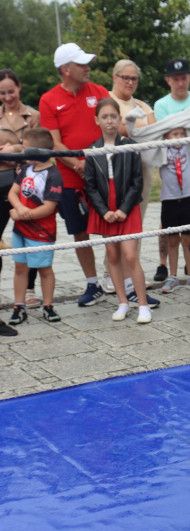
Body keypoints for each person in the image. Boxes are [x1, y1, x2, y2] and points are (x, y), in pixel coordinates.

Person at [39, 42, 110, 307]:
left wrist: (92, 164)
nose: (87, 68)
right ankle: (92, 284)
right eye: (81, 64)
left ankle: (123, 282)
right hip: (70, 179)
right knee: (80, 233)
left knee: (113, 228)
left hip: (103, 174)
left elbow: (110, 127)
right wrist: (79, 165)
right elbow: (54, 142)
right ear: (65, 69)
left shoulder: (99, 91)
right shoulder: (48, 99)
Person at [84, 98, 151, 324]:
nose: (109, 121)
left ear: (119, 118)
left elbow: (137, 181)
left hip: (127, 206)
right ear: (97, 120)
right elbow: (90, 186)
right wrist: (104, 211)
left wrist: (124, 209)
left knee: (130, 255)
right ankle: (122, 302)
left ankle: (143, 304)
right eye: (104, 117)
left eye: (113, 116)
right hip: (105, 208)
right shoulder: (92, 150)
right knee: (112, 256)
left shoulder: (129, 146)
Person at [107, 59, 161, 310]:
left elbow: (153, 130)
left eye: (134, 78)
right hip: (115, 171)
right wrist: (137, 127)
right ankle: (115, 275)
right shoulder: (107, 100)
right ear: (115, 77)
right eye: (125, 77)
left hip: (141, 169)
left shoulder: (142, 105)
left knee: (136, 222)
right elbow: (117, 129)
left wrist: (134, 127)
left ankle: (132, 272)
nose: (129, 82)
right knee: (115, 224)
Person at [153, 58, 190, 283]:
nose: (180, 82)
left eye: (184, 78)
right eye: (175, 79)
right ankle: (164, 264)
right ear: (168, 80)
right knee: (168, 222)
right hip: (171, 164)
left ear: (189, 78)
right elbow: (162, 131)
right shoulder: (161, 104)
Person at [7, 128, 63, 326]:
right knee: (20, 267)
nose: (22, 151)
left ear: (37, 151)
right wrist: (20, 208)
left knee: (44, 269)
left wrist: (25, 214)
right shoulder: (25, 169)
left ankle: (48, 305)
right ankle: (18, 305)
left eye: (25, 147)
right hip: (20, 230)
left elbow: (49, 207)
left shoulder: (53, 174)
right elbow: (13, 193)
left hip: (42, 232)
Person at [0, 68, 41, 308]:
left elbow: (38, 148)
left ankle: (29, 288)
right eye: (2, 93)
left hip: (28, 183)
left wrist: (14, 150)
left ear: (19, 87)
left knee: (29, 235)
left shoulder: (33, 116)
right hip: (2, 183)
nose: (7, 97)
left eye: (11, 91)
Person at [159, 126, 190, 293]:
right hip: (169, 199)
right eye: (175, 134)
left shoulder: (189, 147)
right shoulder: (161, 150)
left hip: (188, 198)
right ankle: (172, 276)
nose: (179, 137)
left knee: (188, 239)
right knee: (172, 240)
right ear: (166, 137)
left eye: (182, 134)